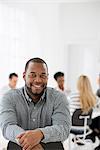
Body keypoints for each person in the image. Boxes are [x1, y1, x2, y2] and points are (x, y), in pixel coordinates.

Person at [0, 57, 71, 150]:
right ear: (24, 76)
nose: (38, 80)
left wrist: (40, 134)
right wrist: (29, 142)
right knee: (14, 144)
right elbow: (7, 127)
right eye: (32, 75)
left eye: (42, 75)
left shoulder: (59, 98)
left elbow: (63, 128)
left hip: (51, 146)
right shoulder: (9, 97)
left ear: (47, 77)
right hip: (19, 146)